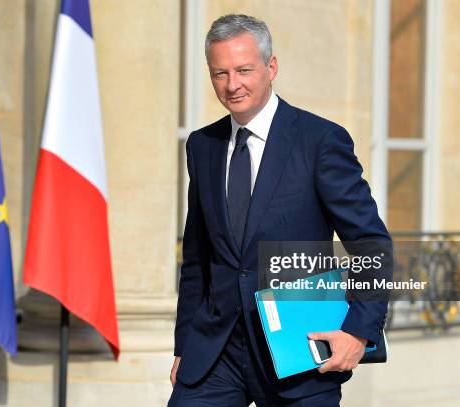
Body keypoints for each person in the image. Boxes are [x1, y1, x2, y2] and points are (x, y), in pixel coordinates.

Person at [169, 14, 391, 406]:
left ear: (271, 67)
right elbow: (197, 260)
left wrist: (358, 331)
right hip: (214, 354)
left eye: (243, 70)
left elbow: (370, 242)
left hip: (297, 349)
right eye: (220, 73)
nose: (232, 84)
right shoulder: (201, 146)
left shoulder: (320, 140)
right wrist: (185, 345)